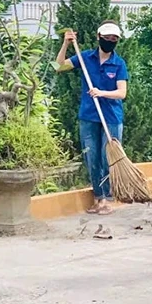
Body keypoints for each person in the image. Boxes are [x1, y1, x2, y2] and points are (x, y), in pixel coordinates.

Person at [55, 21, 129, 215]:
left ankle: (108, 199)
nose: (110, 41)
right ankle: (98, 198)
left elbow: (122, 93)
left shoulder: (119, 63)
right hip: (88, 116)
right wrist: (66, 44)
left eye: (114, 39)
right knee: (91, 158)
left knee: (107, 159)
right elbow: (58, 66)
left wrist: (101, 93)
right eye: (107, 38)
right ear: (98, 37)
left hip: (111, 118)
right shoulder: (85, 57)